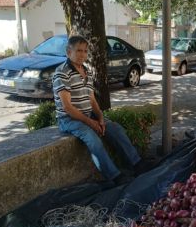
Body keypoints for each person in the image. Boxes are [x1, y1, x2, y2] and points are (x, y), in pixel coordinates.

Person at [52, 35, 145, 187]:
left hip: (88, 115)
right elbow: (67, 107)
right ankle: (114, 176)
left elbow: (92, 99)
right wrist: (91, 123)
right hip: (69, 120)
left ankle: (137, 164)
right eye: (78, 51)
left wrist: (100, 117)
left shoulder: (86, 71)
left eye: (85, 51)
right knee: (93, 139)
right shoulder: (61, 73)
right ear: (69, 52)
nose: (82, 54)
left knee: (115, 129)